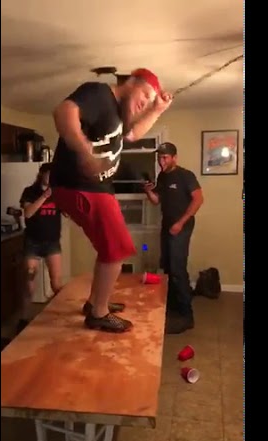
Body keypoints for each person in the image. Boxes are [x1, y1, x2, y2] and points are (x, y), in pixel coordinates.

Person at [50, 68, 172, 333]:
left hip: (97, 189)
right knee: (118, 249)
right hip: (81, 185)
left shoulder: (116, 116)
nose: (145, 102)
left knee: (109, 251)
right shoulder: (99, 93)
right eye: (145, 95)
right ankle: (99, 314)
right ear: (131, 82)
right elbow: (63, 112)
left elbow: (133, 135)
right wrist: (84, 152)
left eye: (150, 100)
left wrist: (157, 110)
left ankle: (95, 303)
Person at [143, 142, 204, 334]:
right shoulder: (162, 177)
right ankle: (173, 309)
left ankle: (187, 317)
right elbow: (156, 201)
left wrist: (180, 223)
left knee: (178, 269)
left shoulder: (186, 175)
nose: (161, 161)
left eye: (165, 157)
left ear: (174, 158)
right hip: (167, 226)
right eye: (159, 158)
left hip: (181, 227)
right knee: (168, 267)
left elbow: (198, 199)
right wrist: (148, 191)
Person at [19, 163, 63, 298]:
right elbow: (28, 213)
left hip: (52, 242)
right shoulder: (29, 192)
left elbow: (67, 212)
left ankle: (58, 308)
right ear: (41, 174)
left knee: (56, 283)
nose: (51, 178)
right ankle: (26, 311)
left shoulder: (58, 193)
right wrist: (44, 196)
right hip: (32, 242)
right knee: (29, 279)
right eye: (49, 174)